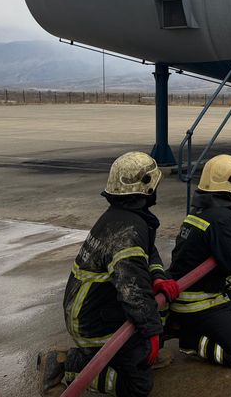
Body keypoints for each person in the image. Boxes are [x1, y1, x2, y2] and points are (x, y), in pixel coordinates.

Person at [36, 152, 181, 397]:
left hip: (95, 308)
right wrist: (153, 334)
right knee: (138, 387)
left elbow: (149, 251)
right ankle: (67, 366)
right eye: (154, 184)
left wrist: (158, 276)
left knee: (156, 313)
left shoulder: (126, 219)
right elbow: (133, 292)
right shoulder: (128, 230)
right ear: (144, 189)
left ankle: (134, 356)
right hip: (95, 323)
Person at [166, 154, 231, 367]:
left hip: (183, 297)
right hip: (198, 304)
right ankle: (193, 340)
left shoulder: (202, 212)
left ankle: (214, 321)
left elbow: (217, 241)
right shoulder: (221, 219)